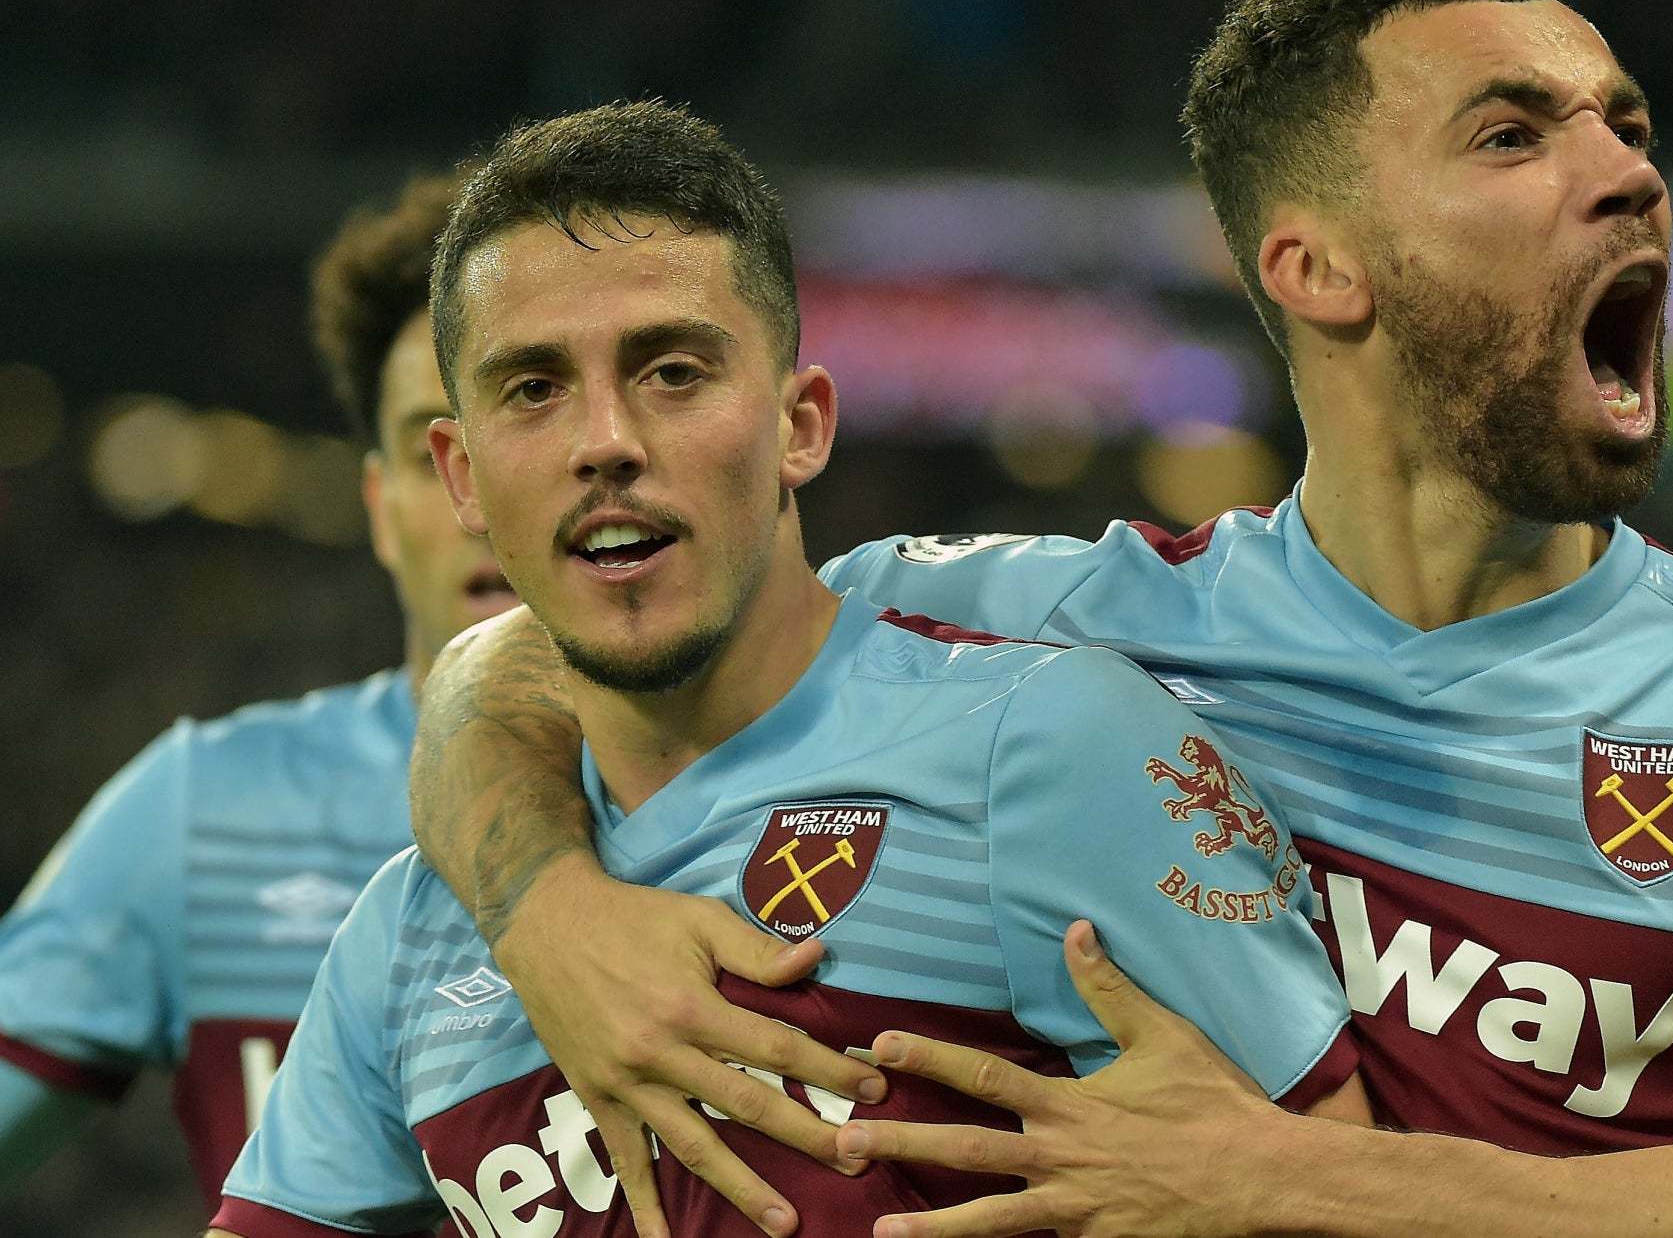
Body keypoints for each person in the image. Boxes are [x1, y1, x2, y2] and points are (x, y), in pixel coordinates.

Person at [400, 0, 1673, 1238]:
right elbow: (527, 656)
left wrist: (1303, 1179)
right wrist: (551, 913)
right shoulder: (1040, 632)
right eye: (1512, 133)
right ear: (1314, 265)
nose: (1626, 173)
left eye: (1627, 125)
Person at [204, 99, 1365, 1238]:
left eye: (671, 371)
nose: (604, 440)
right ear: (460, 477)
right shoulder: (412, 929)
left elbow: (1338, 1190)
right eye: (534, 388)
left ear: (800, 425)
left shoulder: (1054, 748)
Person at [0, 172, 521, 1208]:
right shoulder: (211, 809)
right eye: (433, 453)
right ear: (377, 507)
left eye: (521, 425)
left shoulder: (792, 799)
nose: (478, 503)